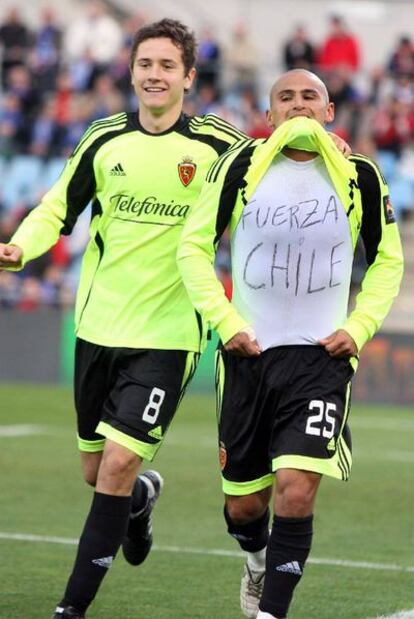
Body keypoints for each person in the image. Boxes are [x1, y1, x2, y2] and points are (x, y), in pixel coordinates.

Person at [0, 18, 249, 619]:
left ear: (189, 77)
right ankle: (139, 501)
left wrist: (324, 142)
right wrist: (19, 246)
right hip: (97, 328)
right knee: (97, 472)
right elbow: (56, 206)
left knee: (114, 464)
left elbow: (279, 170)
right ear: (130, 71)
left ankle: (70, 608)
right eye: (146, 64)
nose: (155, 75)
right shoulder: (104, 138)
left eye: (168, 65)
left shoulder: (222, 146)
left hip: (168, 335)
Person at [177, 69, 404, 619]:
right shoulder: (238, 168)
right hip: (247, 357)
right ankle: (256, 562)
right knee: (243, 506)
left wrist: (360, 324)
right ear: (268, 112)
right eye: (286, 97)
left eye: (310, 97)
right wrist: (226, 322)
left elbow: (387, 260)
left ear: (329, 112)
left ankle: (269, 613)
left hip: (322, 360)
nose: (298, 105)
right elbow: (192, 250)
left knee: (297, 491)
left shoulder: (361, 176)